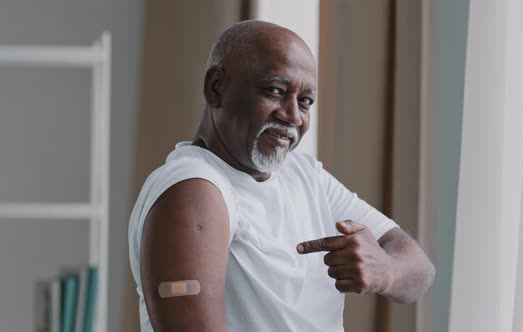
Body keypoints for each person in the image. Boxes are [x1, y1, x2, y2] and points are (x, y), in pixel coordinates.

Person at [128, 20, 435, 332]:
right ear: (216, 88)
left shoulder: (305, 175)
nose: (292, 115)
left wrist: (387, 270)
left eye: (305, 101)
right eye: (274, 91)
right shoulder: (195, 187)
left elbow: (420, 270)